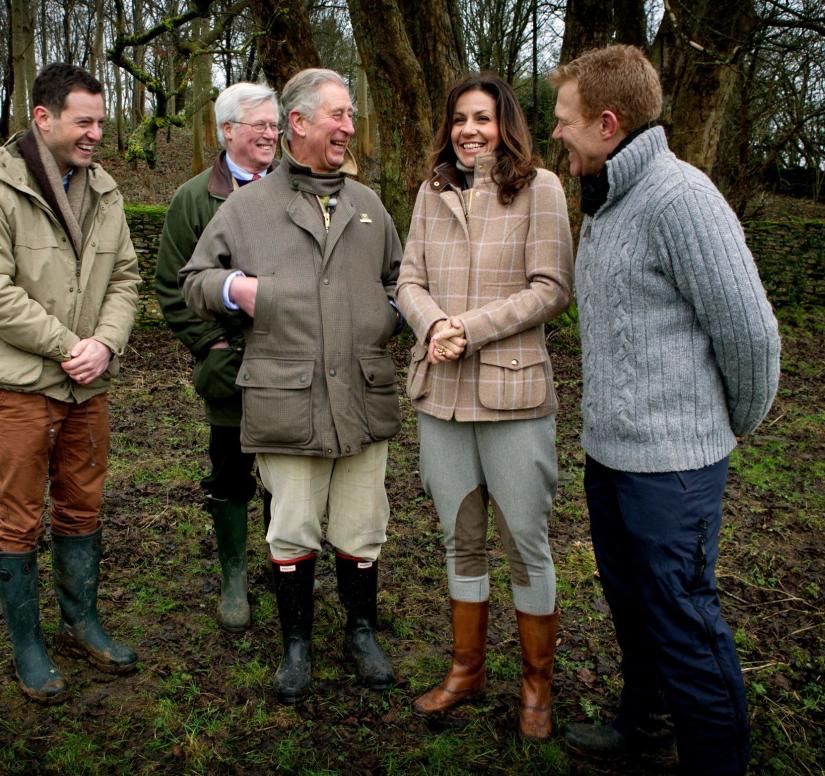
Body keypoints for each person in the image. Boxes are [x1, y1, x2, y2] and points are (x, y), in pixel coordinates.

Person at [549, 45, 780, 773]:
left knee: (684, 621)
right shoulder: (611, 199)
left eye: (564, 121)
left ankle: (716, 761)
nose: (555, 133)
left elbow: (750, 334)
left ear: (607, 124)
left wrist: (722, 427)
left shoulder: (680, 199)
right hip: (611, 458)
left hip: (672, 472)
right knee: (632, 605)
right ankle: (644, 725)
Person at [180, 68, 404, 703]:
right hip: (287, 395)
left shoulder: (369, 206)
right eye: (337, 115)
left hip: (362, 391)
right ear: (299, 123)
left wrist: (386, 315)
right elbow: (193, 279)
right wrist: (236, 290)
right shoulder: (247, 208)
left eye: (352, 116)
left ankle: (361, 633)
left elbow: (398, 278)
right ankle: (296, 646)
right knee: (294, 523)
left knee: (363, 523)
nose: (349, 127)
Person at [0, 63, 142, 703]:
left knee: (83, 507)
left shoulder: (105, 191)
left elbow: (125, 280)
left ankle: (80, 624)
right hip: (20, 385)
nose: (95, 134)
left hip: (88, 387)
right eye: (84, 121)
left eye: (100, 122)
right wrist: (69, 346)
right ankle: (28, 644)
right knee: (19, 518)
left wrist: (106, 345)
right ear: (43, 117)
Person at [397, 73, 574, 741]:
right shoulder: (429, 191)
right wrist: (433, 324)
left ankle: (535, 686)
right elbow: (407, 278)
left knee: (524, 545)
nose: (469, 130)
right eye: (459, 119)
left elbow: (551, 287)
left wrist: (468, 328)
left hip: (512, 395)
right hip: (439, 396)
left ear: (506, 125)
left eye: (483, 117)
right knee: (458, 541)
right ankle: (465, 670)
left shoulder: (541, 188)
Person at [155, 82, 280, 632]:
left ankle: (285, 566)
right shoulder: (192, 199)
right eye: (260, 126)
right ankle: (234, 576)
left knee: (289, 471)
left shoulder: (297, 189)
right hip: (229, 368)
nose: (271, 135)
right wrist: (212, 344)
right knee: (231, 471)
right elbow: (172, 285)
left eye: (276, 126)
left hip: (291, 363)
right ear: (227, 130)